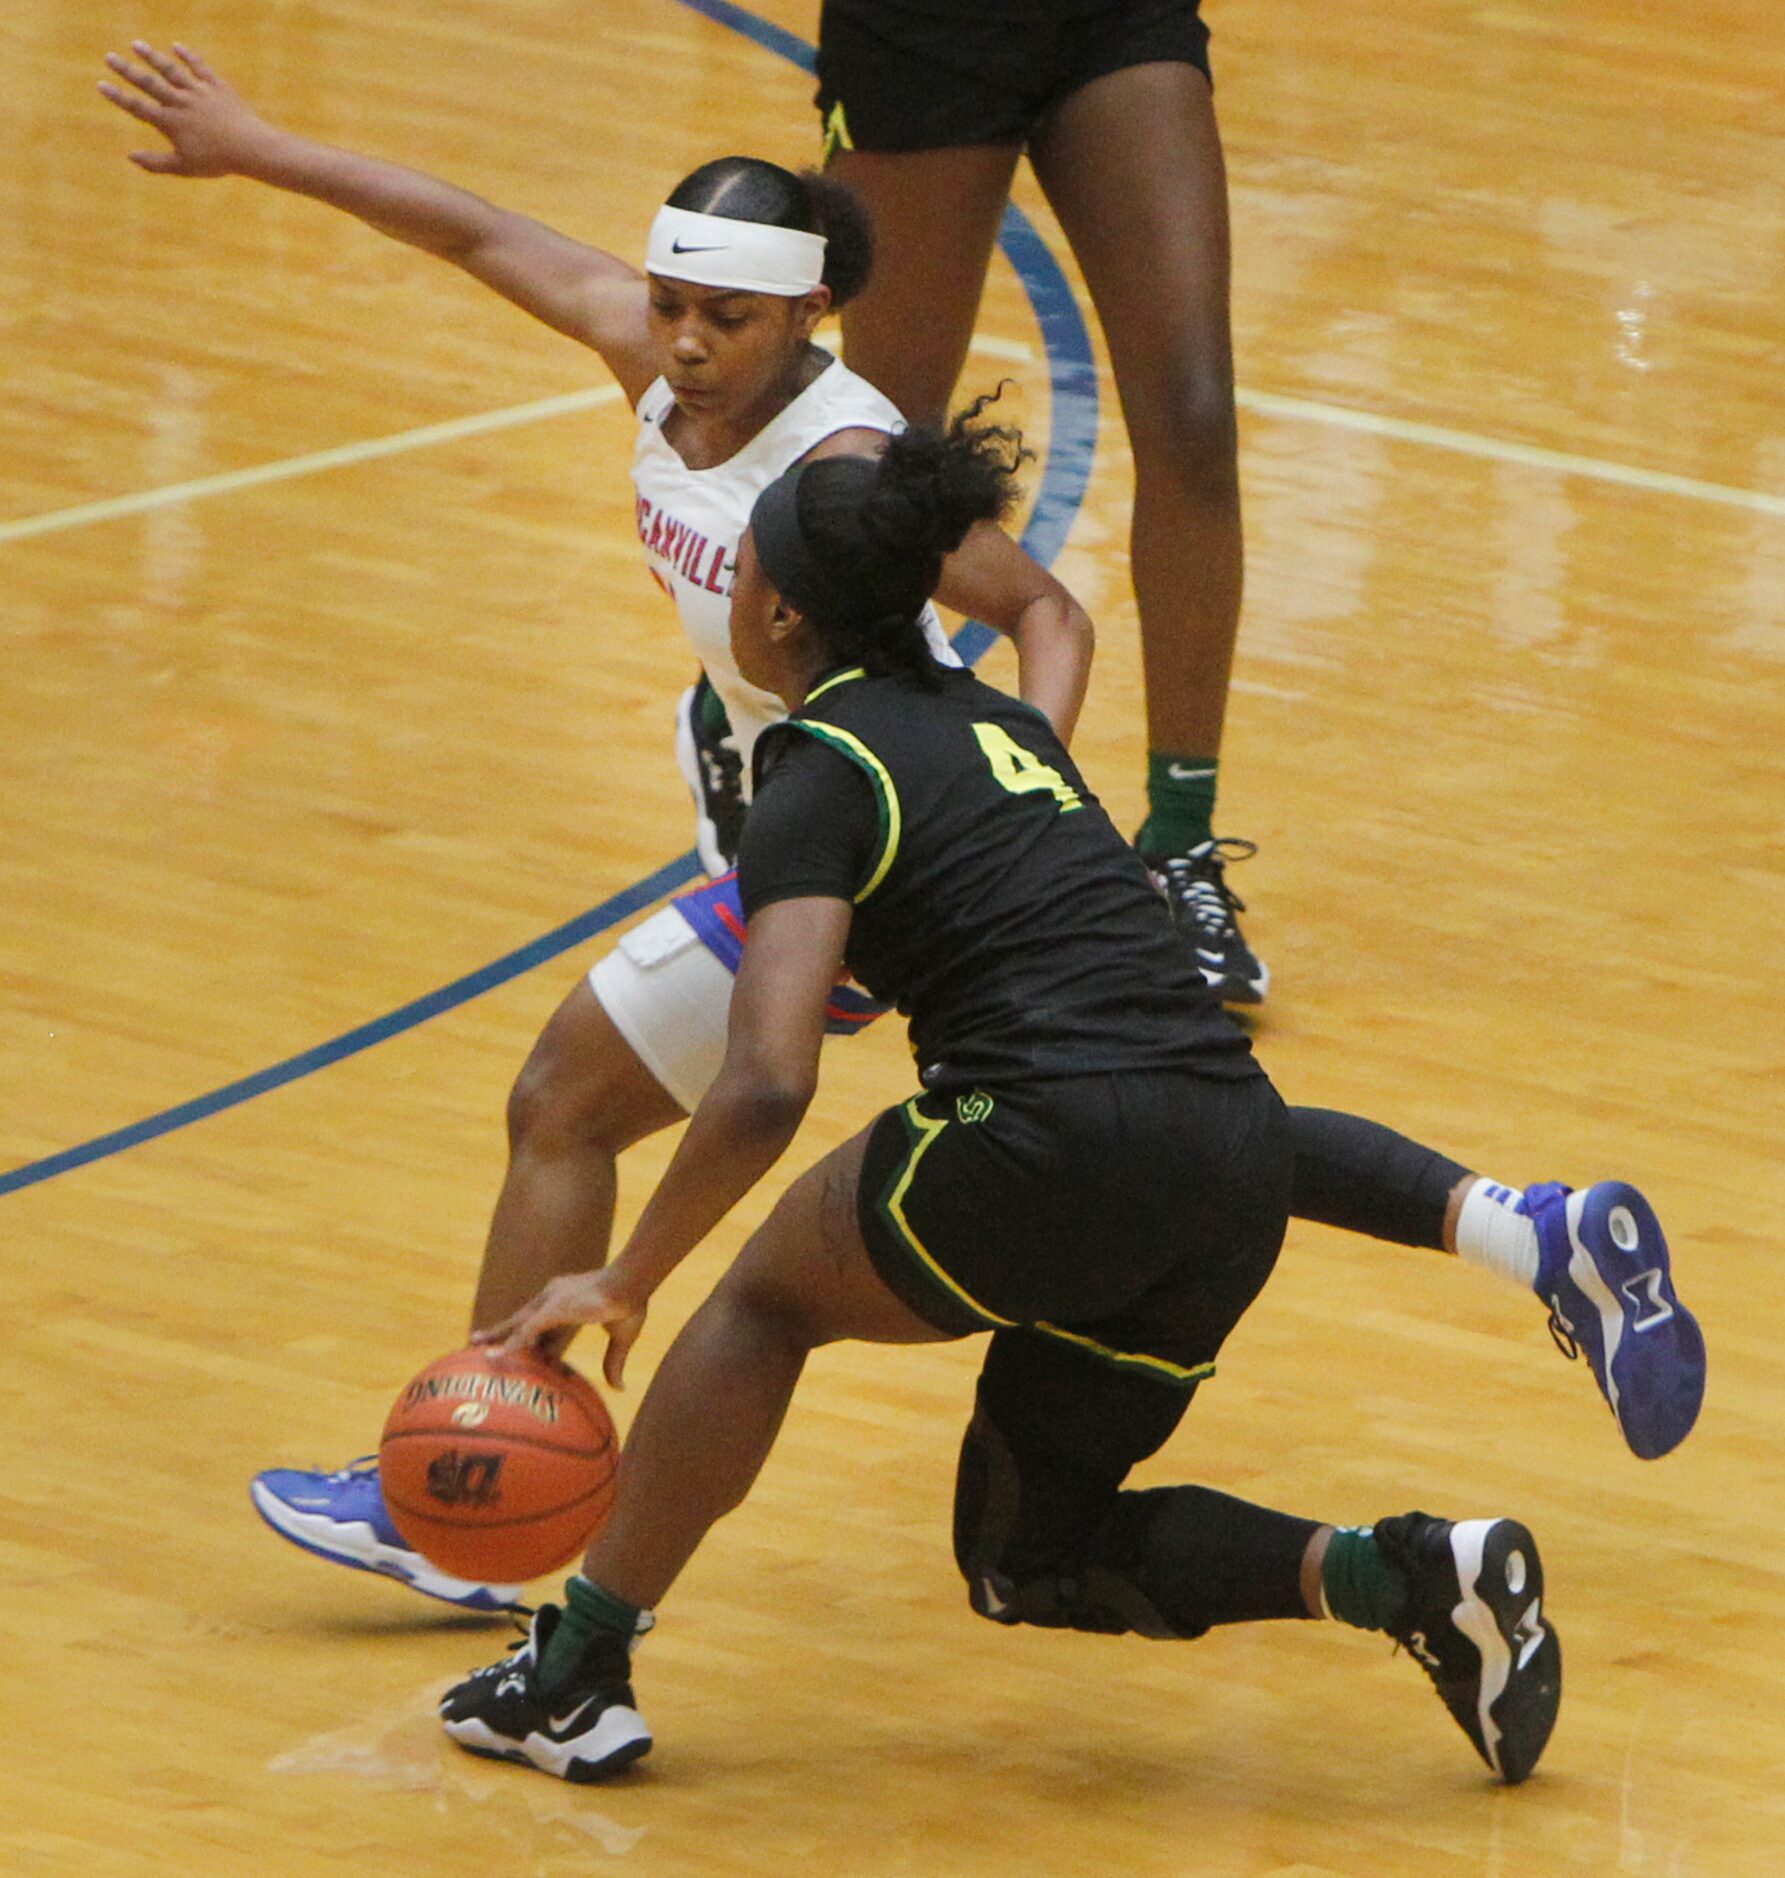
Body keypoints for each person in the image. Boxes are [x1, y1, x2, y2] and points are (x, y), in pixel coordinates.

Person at [98, 44, 1702, 1625]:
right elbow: (471, 227)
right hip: (828, 825)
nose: (685, 342)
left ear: (806, 315)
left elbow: (1047, 610)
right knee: (1150, 1114)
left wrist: (1019, 778)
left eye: (724, 317)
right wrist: (254, 142)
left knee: (565, 1101)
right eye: (668, 305)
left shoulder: (850, 459)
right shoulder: (654, 363)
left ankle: (467, 1504)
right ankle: (1527, 1228)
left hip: (843, 854)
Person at [435, 415, 1703, 1788]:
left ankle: (574, 1674)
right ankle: (1411, 1578)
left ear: (779, 605)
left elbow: (767, 1077)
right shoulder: (1000, 723)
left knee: (762, 1303)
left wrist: (627, 1272)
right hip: (1232, 1157)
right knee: (1028, 1556)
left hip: (1039, 1132)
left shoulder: (818, 765)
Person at [812, 0, 1269, 1002]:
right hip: (922, 30)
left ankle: (1181, 843)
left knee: (1194, 412)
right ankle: (819, 785)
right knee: (882, 446)